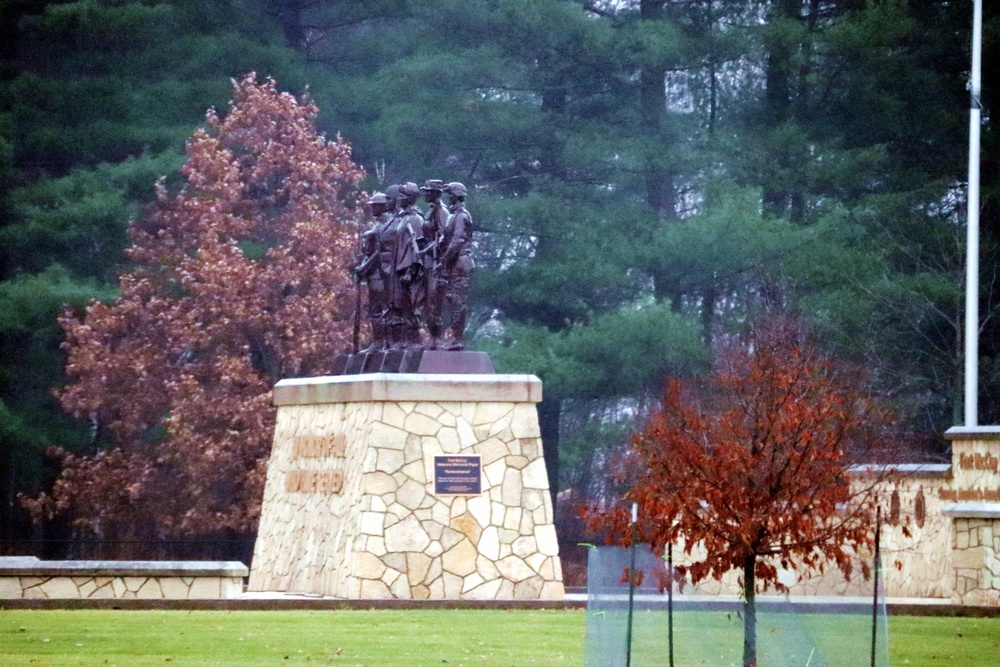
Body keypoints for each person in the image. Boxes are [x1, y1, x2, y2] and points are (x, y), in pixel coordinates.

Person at [388, 182, 426, 349]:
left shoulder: (416, 219)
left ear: (410, 199)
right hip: (398, 267)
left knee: (411, 304)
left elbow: (416, 246)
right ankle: (403, 339)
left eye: (402, 197)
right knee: (400, 303)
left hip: (409, 269)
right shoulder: (403, 218)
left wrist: (410, 270)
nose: (399, 200)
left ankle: (413, 338)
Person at [354, 192, 393, 351]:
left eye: (374, 206)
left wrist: (363, 268)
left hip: (381, 273)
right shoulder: (376, 227)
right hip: (374, 273)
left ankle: (382, 343)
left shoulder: (386, 226)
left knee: (380, 308)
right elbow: (369, 253)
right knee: (375, 309)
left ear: (381, 206)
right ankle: (379, 342)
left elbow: (377, 253)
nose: (372, 209)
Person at [438, 182, 474, 350]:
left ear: (457, 195)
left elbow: (458, 239)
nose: (448, 196)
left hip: (460, 262)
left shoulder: (461, 216)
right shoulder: (453, 216)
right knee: (452, 299)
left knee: (457, 300)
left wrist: (445, 258)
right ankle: (454, 337)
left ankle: (457, 338)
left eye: (450, 194)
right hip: (453, 262)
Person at [420, 179, 448, 348]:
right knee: (426, 300)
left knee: (434, 299)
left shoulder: (442, 212)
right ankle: (431, 335)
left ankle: (436, 337)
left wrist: (428, 249)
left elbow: (445, 237)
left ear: (437, 194)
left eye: (429, 192)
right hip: (428, 260)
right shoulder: (430, 212)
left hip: (437, 261)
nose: (426, 195)